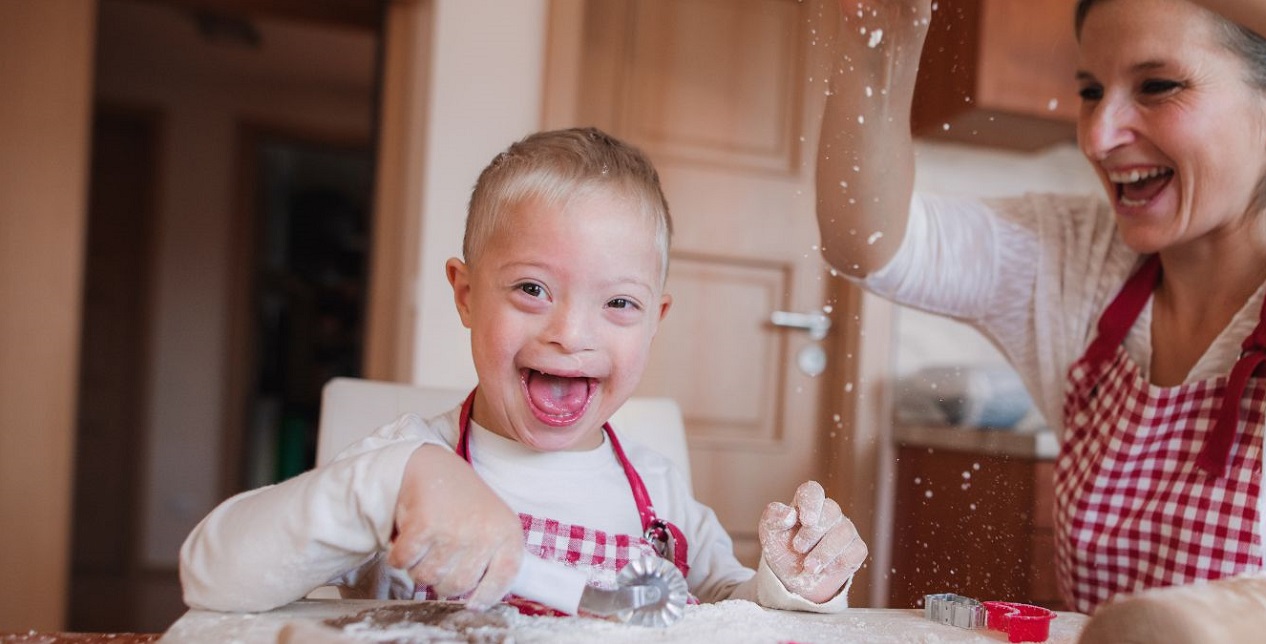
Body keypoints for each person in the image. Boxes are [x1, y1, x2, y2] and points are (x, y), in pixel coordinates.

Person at [817, 0, 1266, 632]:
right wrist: (885, 33)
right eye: (1090, 90)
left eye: (1158, 86)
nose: (1099, 135)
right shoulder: (1078, 260)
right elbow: (870, 243)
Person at [181, 127, 868, 615]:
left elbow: (728, 614)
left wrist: (792, 584)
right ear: (466, 294)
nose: (569, 333)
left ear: (655, 319)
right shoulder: (401, 468)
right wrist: (393, 480)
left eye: (619, 303)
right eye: (532, 289)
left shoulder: (660, 500)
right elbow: (210, 576)